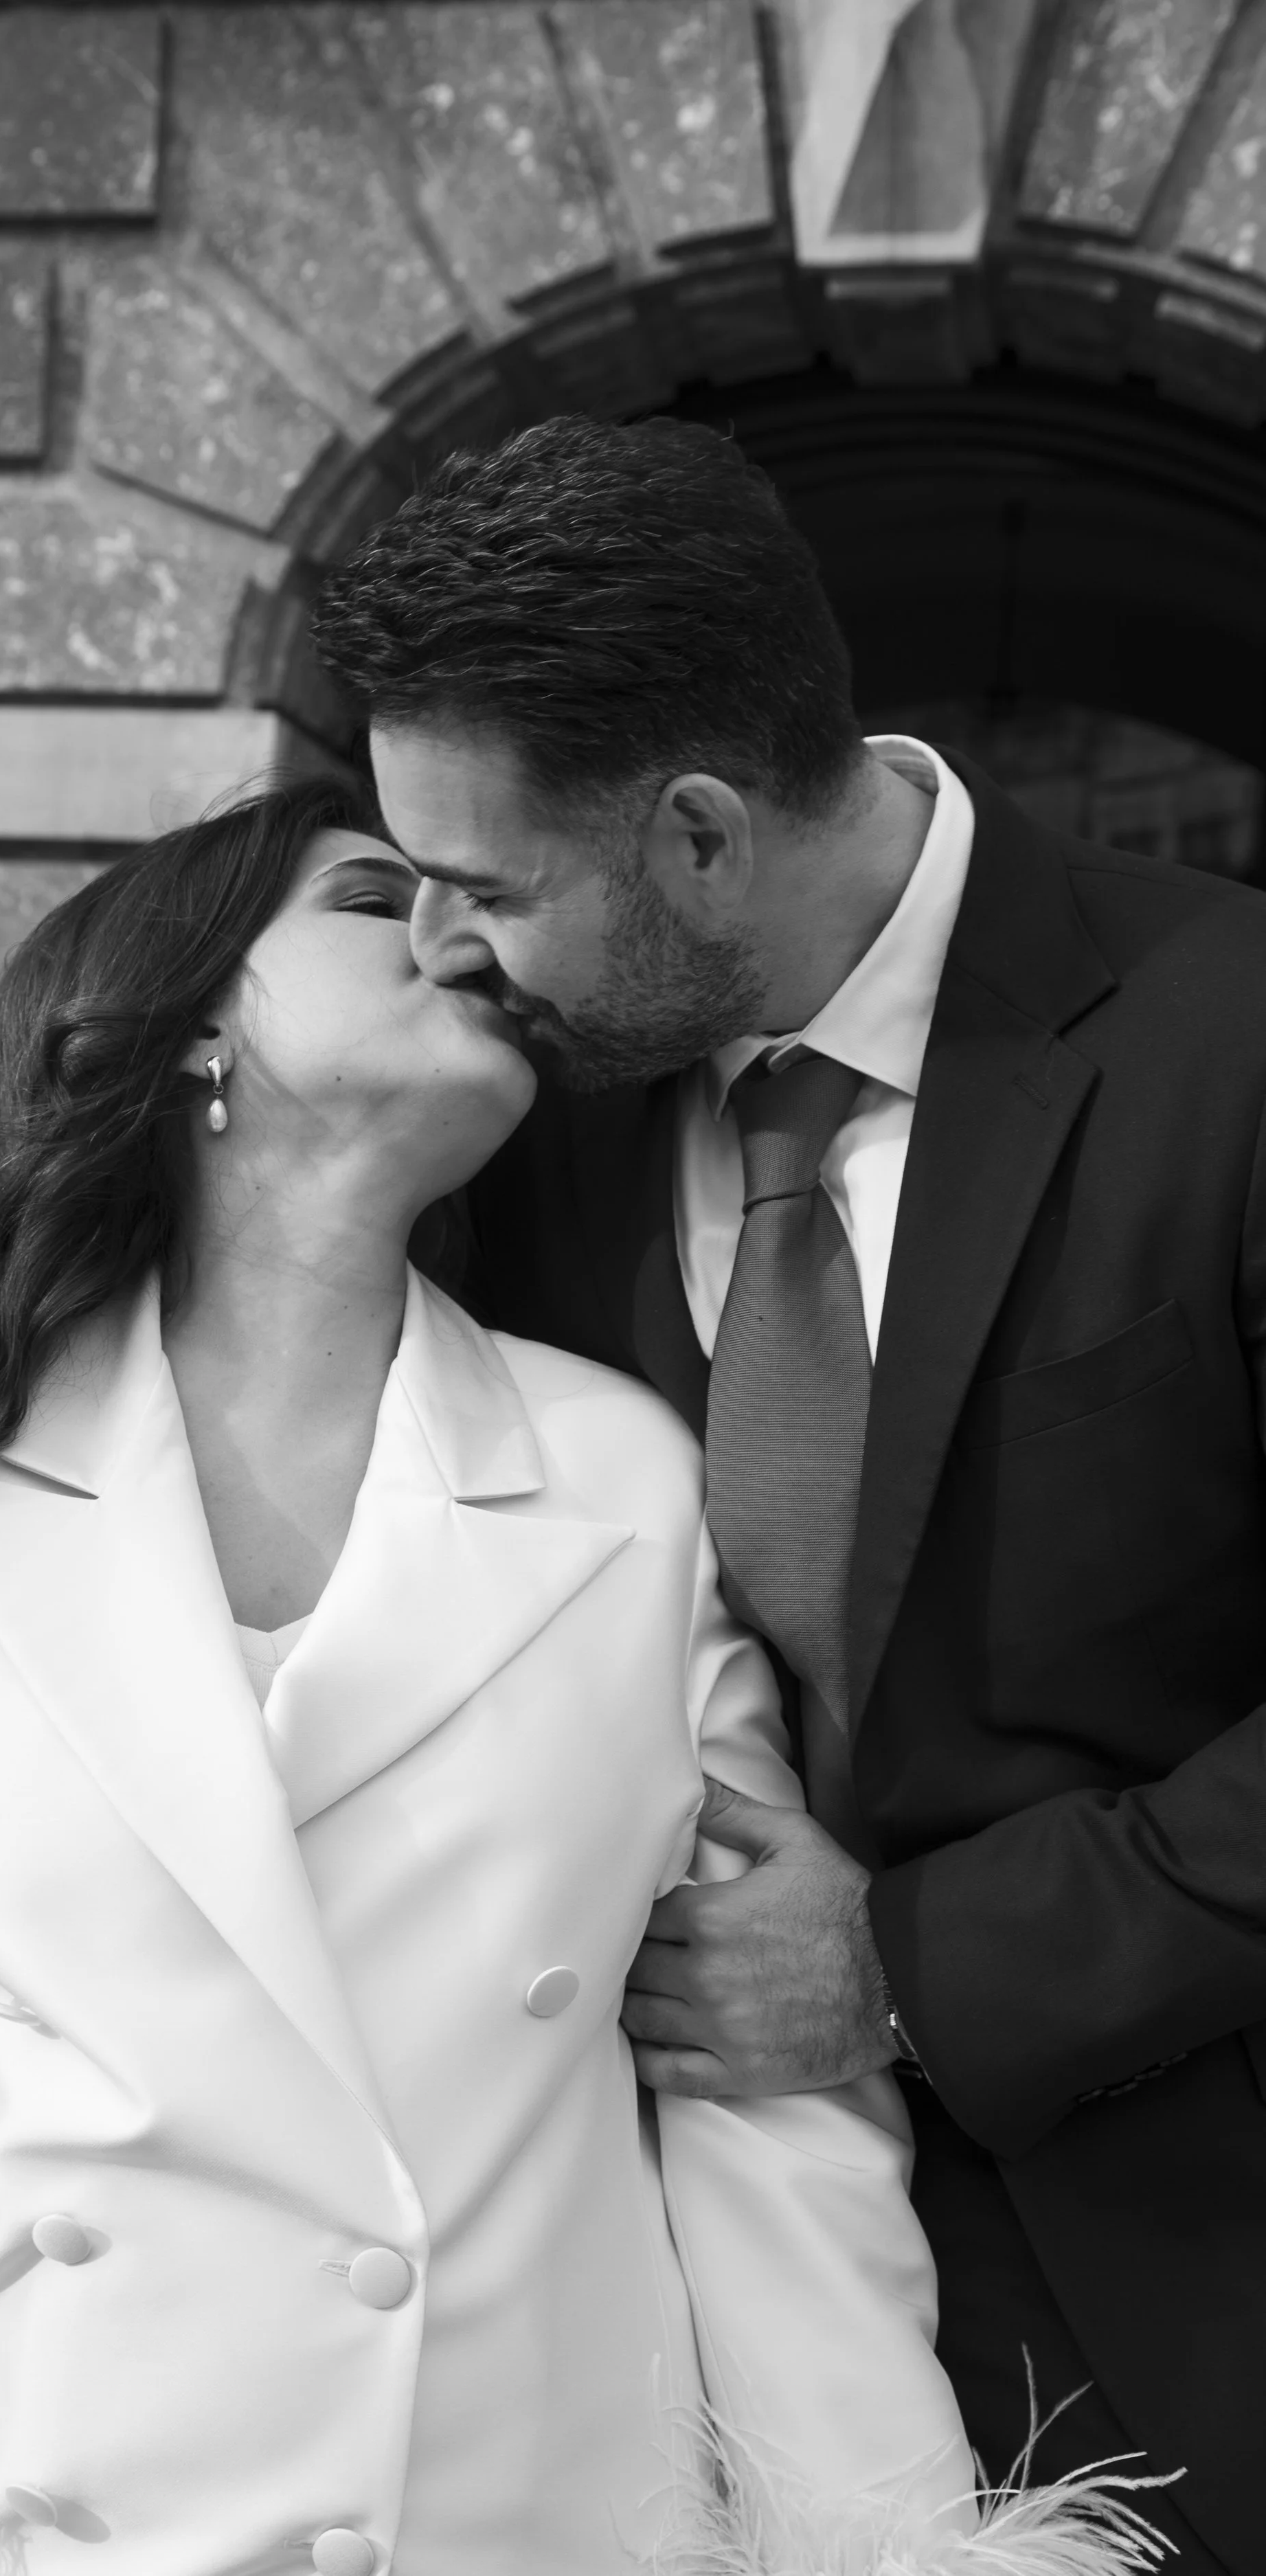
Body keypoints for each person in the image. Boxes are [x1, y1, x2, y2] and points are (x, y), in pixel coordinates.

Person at [0, 779, 1140, 2576]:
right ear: (190, 1020)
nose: (461, 929)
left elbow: (754, 2089)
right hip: (53, 2524)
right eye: (373, 894)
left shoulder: (621, 1473)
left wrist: (880, 2543)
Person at [308, 411, 1266, 2576]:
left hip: (1173, 2291)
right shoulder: (516, 1114)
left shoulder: (1234, 1038)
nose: (446, 950)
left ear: (703, 835)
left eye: (487, 887)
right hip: (627, 2332)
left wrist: (912, 1970)